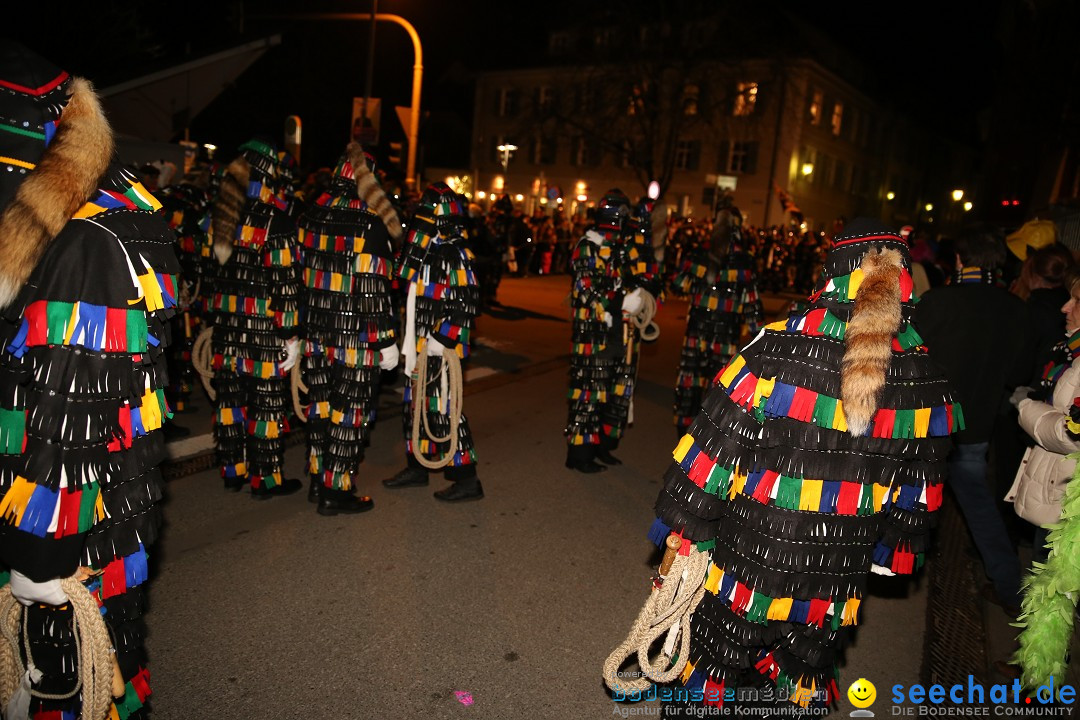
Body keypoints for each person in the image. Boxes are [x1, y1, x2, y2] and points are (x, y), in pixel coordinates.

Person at [632, 220, 958, 713]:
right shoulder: (926, 374)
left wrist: (687, 525)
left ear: (834, 272)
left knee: (717, 659)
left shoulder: (775, 348)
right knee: (800, 674)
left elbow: (715, 448)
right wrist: (893, 547)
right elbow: (920, 483)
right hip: (837, 570)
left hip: (749, 558)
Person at [0, 43, 179, 719]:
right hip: (88, 513)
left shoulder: (85, 235)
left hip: (68, 527)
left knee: (68, 681)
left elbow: (70, 398)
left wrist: (37, 552)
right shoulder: (115, 203)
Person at [915, 224, 1035, 616]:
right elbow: (1019, 372)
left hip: (927, 426)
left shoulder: (937, 302)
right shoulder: (1016, 311)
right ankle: (1011, 589)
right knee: (980, 508)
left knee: (902, 501)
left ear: (960, 260)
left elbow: (910, 359)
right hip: (976, 427)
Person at [297, 143, 402, 516]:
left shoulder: (311, 212)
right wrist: (386, 341)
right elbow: (373, 290)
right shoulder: (369, 221)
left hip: (316, 335)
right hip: (356, 339)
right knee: (350, 415)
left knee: (321, 410)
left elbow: (299, 278)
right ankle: (335, 493)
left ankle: (317, 480)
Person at [204, 139, 303, 498]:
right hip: (264, 334)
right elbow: (285, 283)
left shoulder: (219, 216)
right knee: (266, 405)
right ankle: (267, 480)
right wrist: (291, 334)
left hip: (227, 329)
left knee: (230, 400)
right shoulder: (276, 222)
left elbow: (206, 273)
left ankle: (233, 471)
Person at [382, 183, 484, 502]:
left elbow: (468, 300)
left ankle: (467, 478)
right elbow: (401, 281)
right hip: (419, 345)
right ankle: (417, 466)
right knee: (415, 407)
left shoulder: (456, 252)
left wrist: (444, 338)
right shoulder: (425, 250)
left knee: (444, 408)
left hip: (440, 345)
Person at [564, 189, 656, 473]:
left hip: (622, 334)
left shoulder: (621, 247)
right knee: (589, 395)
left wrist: (640, 293)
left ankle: (602, 447)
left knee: (616, 393)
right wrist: (619, 303)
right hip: (594, 336)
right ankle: (580, 455)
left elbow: (639, 276)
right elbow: (586, 290)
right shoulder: (587, 246)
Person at [1007, 266, 1080, 557]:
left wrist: (1026, 407)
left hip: (1066, 504)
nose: (1065, 307)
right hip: (1059, 494)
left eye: (1076, 301)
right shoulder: (1073, 352)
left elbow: (1071, 434)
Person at [671, 206, 763, 433]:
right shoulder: (744, 261)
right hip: (725, 335)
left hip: (697, 331)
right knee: (718, 386)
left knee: (691, 384)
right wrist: (758, 333)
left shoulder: (698, 255)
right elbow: (751, 303)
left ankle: (684, 432)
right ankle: (706, 434)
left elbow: (678, 285)